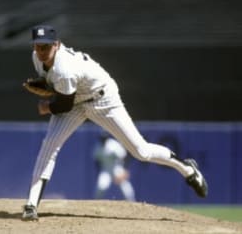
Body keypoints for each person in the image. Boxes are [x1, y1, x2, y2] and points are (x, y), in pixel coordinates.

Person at [21, 25, 208, 221]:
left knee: (141, 151)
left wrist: (47, 107)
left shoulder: (65, 68)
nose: (41, 51)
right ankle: (31, 205)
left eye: (46, 47)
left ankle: (187, 169)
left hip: (102, 99)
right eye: (37, 46)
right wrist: (48, 85)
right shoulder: (37, 58)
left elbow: (64, 105)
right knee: (49, 147)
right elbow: (59, 89)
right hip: (76, 100)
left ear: (57, 45)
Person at [93, 133, 135, 202]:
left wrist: (125, 170)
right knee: (101, 187)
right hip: (106, 170)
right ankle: (94, 204)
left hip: (117, 169)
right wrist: (99, 171)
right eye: (102, 138)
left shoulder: (113, 145)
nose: (103, 140)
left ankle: (133, 203)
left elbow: (124, 157)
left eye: (105, 138)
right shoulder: (98, 146)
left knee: (126, 189)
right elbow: (97, 161)